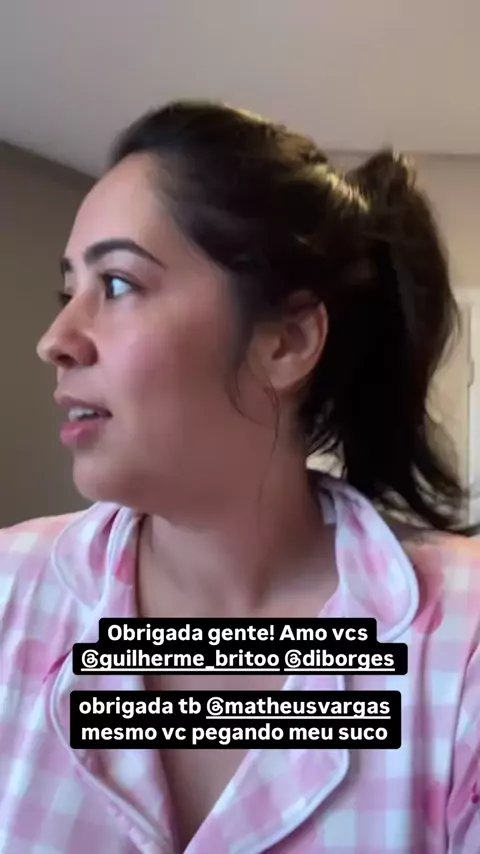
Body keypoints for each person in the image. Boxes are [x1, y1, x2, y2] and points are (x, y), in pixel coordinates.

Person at [0, 100, 479, 854]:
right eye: (70, 291)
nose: (56, 339)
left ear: (285, 342)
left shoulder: (463, 639)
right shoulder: (9, 595)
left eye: (117, 284)